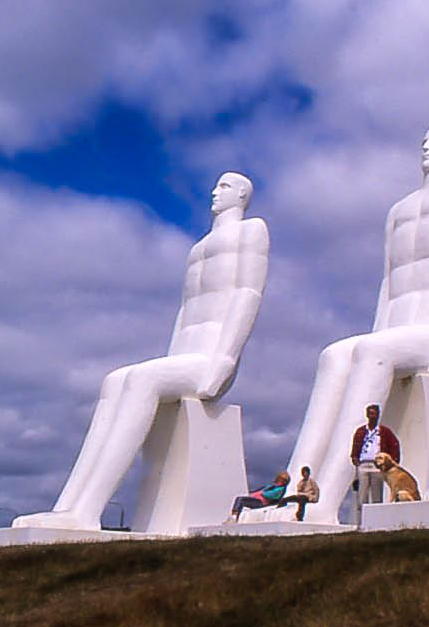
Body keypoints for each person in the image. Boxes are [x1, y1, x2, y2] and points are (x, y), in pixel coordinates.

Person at [14, 173, 269, 530]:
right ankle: (68, 507)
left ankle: (88, 509)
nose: (214, 191)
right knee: (115, 380)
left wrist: (225, 359)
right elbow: (185, 311)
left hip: (211, 360)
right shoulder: (197, 249)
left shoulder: (251, 230)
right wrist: (168, 360)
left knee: (140, 379)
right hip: (183, 358)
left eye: (224, 187)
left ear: (242, 194)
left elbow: (247, 294)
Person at [284, 124, 429, 522]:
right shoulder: (399, 210)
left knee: (372, 350)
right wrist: (378, 329)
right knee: (335, 354)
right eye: (425, 139)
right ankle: (298, 491)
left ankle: (327, 502)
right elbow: (388, 282)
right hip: (395, 328)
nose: (427, 145)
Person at [348, 405, 400, 511]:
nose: (372, 416)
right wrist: (355, 458)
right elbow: (355, 447)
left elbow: (394, 445)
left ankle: (376, 519)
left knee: (377, 495)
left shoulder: (384, 432)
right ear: (367, 415)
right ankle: (361, 521)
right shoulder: (360, 431)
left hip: (377, 465)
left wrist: (392, 463)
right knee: (362, 495)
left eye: (374, 414)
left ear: (378, 415)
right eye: (370, 414)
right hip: (363, 464)